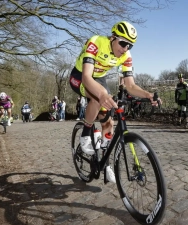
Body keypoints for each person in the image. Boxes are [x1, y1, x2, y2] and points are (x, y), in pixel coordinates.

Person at [69, 21, 160, 183]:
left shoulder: (126, 56)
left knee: (109, 122)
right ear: (112, 37)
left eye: (130, 46)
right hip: (80, 76)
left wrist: (147, 94)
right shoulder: (96, 42)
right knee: (99, 98)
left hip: (99, 78)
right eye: (123, 43)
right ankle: (85, 134)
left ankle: (105, 163)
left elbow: (130, 85)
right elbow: (87, 77)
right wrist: (102, 94)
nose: (125, 49)